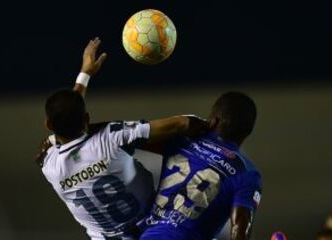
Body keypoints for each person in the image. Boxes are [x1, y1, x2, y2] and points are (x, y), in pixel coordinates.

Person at [35, 37, 209, 240]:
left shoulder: (48, 164)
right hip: (153, 229)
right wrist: (208, 125)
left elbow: (67, 118)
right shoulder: (112, 138)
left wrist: (85, 75)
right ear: (87, 119)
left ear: (48, 126)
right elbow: (182, 124)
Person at [140, 92, 262, 240]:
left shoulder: (179, 140)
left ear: (213, 121)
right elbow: (239, 231)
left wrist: (180, 122)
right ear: (247, 132)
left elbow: (126, 137)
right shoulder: (247, 173)